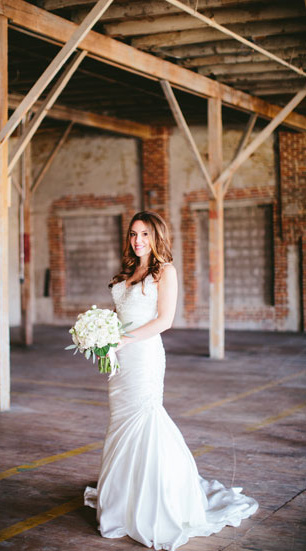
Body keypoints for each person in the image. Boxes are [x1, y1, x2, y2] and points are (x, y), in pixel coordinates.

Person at [84, 211, 257, 550]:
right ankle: (123, 495)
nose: (138, 240)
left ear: (157, 236)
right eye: (134, 234)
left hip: (145, 355)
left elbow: (165, 320)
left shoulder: (165, 271)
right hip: (120, 359)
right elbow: (119, 320)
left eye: (145, 234)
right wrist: (103, 342)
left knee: (146, 418)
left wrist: (126, 341)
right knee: (119, 423)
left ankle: (156, 501)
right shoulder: (126, 273)